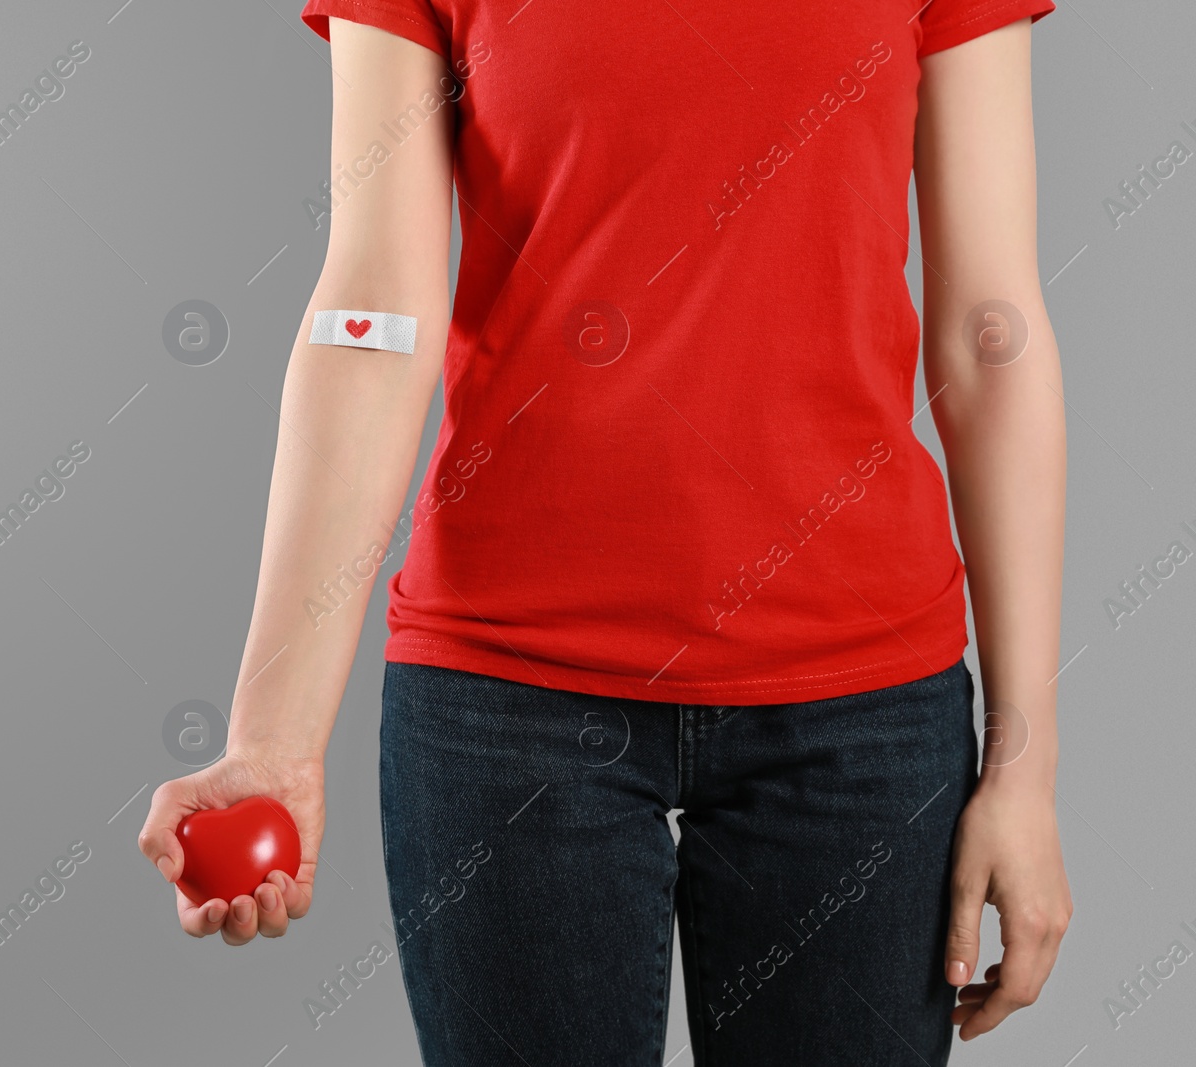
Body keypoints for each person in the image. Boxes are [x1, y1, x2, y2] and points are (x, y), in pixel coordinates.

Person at [139, 1, 1072, 1062]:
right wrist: (273, 736)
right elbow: (372, 315)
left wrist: (1022, 766)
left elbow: (988, 332)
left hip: (857, 705)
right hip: (507, 693)